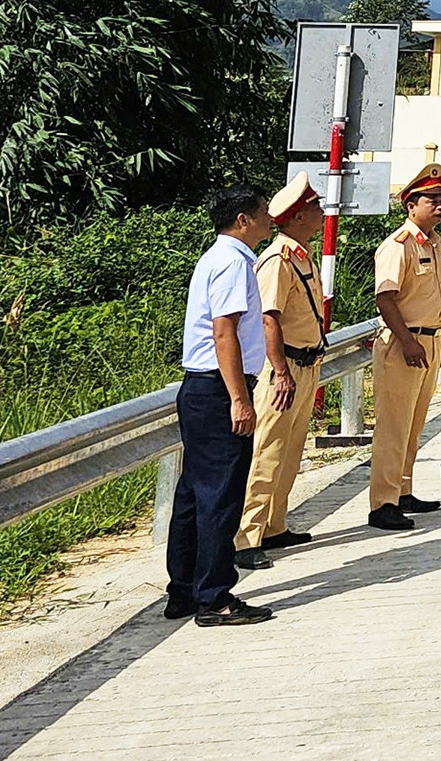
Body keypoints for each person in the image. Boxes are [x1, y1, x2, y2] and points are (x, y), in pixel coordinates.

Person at [166, 185, 275, 627]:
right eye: (264, 212)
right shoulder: (233, 262)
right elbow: (224, 332)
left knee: (194, 493)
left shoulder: (217, 256)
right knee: (220, 496)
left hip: (201, 388)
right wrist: (239, 399)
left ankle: (185, 590)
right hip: (218, 389)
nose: (270, 219)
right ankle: (215, 598)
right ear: (243, 220)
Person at [234, 173, 327, 571]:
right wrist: (281, 371)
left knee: (290, 451)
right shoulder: (277, 260)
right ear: (298, 215)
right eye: (315, 208)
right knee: (266, 452)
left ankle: (275, 524)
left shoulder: (301, 255)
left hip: (306, 363)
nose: (322, 213)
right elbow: (268, 319)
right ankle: (246, 536)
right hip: (284, 367)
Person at [368, 163, 441, 531]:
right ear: (410, 205)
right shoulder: (397, 246)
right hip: (405, 344)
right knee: (394, 426)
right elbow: (385, 298)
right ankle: (382, 502)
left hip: (430, 341)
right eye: (431, 198)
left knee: (414, 424)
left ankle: (403, 490)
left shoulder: (434, 243)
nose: (439, 204)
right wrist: (406, 340)